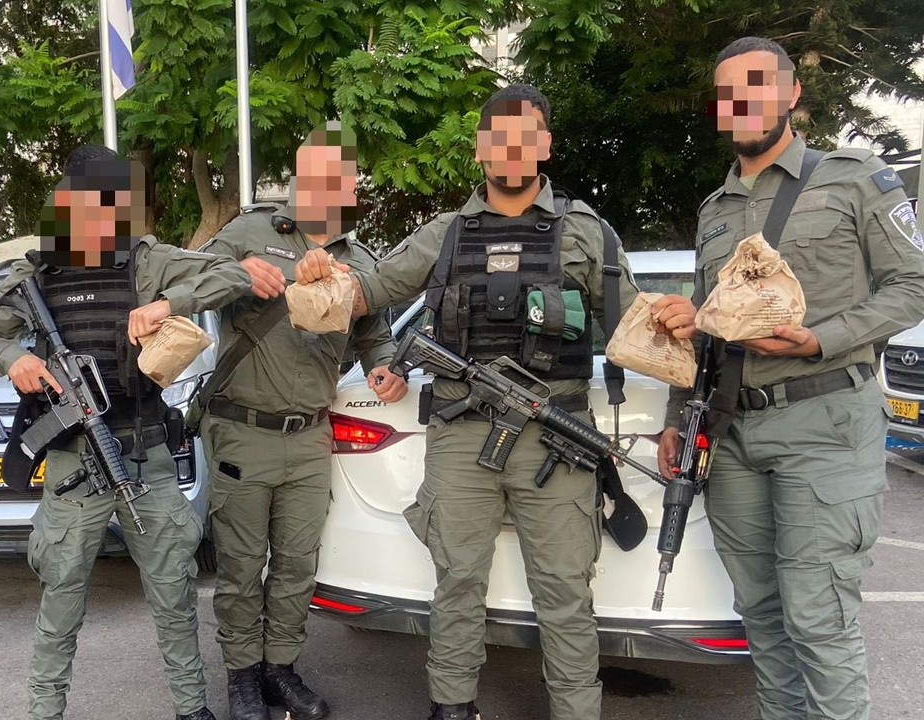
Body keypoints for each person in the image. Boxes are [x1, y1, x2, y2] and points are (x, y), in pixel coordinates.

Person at [295, 86, 685, 720]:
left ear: (545, 145)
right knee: (456, 585)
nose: (512, 148)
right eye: (499, 136)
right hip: (460, 435)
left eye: (526, 135)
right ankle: (452, 708)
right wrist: (319, 277)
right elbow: (364, 292)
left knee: (565, 593)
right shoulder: (445, 235)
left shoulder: (587, 233)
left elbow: (639, 334)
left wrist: (680, 335)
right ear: (481, 147)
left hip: (557, 437)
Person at [651, 37, 924, 720]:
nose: (742, 101)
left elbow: (913, 285)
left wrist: (820, 338)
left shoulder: (854, 178)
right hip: (732, 433)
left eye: (757, 84)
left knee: (820, 621)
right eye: (728, 92)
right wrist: (677, 416)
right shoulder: (714, 210)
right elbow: (705, 327)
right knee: (764, 622)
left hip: (824, 425)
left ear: (791, 92)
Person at [0, 144, 261, 720]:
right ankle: (45, 711)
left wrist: (168, 304)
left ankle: (192, 708)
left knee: (173, 593)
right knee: (62, 596)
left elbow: (231, 275)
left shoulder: (146, 261)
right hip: (73, 460)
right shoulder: (37, 272)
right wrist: (13, 358)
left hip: (143, 453)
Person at [194, 121, 404, 720]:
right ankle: (242, 677)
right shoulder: (251, 231)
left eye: (342, 175)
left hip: (311, 436)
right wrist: (239, 274)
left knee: (296, 564)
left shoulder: (358, 260)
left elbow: (375, 335)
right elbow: (187, 282)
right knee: (240, 566)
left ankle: (280, 669)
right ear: (298, 175)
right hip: (243, 429)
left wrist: (386, 367)